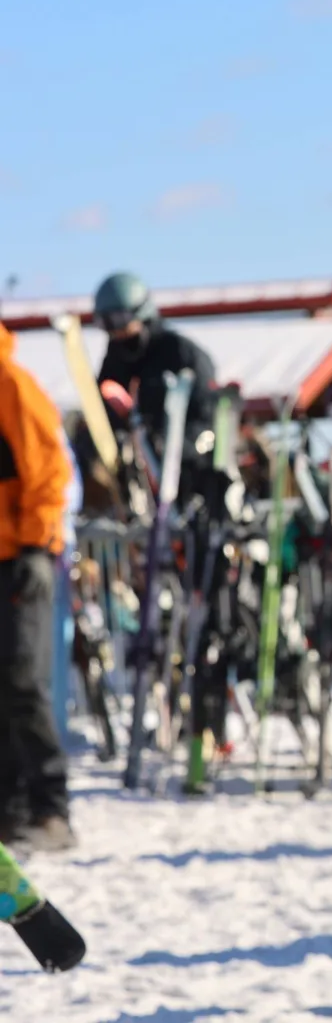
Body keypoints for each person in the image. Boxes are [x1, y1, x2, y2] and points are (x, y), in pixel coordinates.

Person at [0, 326, 73, 853]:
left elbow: (48, 468)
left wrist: (35, 545)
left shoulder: (11, 383)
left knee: (23, 679)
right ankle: (10, 812)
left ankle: (51, 809)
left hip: (20, 557)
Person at [91, 273, 218, 502]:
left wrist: (179, 448)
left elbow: (207, 414)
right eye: (105, 322)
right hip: (139, 476)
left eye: (118, 319)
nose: (113, 331)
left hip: (187, 472)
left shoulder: (180, 352)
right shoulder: (116, 359)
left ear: (141, 312)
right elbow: (104, 408)